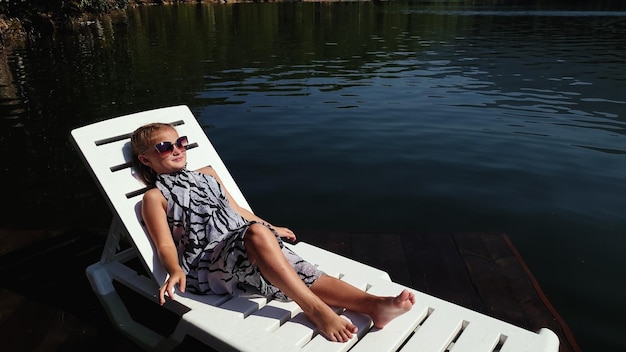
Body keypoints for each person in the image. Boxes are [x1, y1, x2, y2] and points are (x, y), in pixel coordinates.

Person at [130, 122, 415, 343]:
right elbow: (165, 244)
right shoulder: (155, 198)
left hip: (245, 241)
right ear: (145, 160)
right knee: (257, 237)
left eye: (180, 142)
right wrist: (173, 270)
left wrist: (269, 227)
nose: (178, 150)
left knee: (296, 266)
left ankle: (375, 305)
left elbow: (238, 210)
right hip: (208, 264)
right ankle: (315, 309)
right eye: (165, 147)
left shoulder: (207, 173)